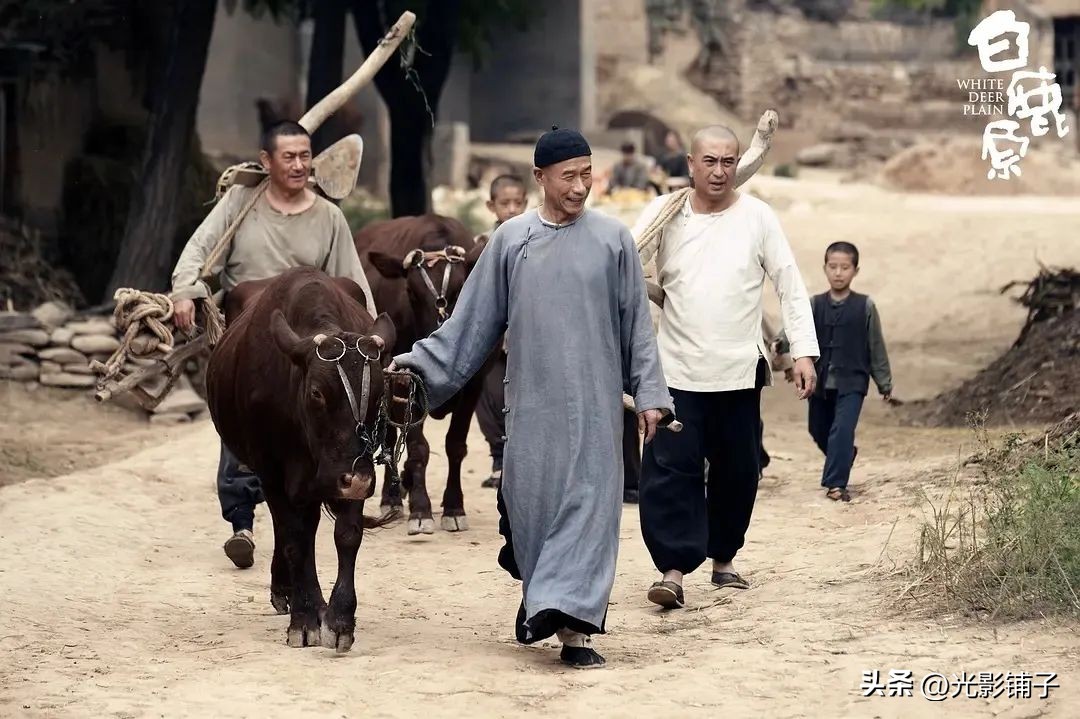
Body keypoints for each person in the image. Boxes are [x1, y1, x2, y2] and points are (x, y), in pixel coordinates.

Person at [389, 127, 673, 668]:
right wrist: (418, 368)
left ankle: (574, 629)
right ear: (540, 178)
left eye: (587, 174)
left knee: (591, 510)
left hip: (594, 406)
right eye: (569, 176)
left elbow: (637, 324)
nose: (580, 186)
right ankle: (541, 600)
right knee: (533, 508)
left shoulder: (612, 240)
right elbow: (472, 323)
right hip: (534, 406)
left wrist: (651, 394)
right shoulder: (511, 240)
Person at [170, 120, 375, 570]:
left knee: (323, 425)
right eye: (289, 157)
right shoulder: (241, 204)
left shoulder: (328, 216)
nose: (300, 165)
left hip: (311, 346)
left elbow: (352, 288)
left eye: (306, 156)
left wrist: (370, 346)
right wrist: (186, 288)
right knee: (243, 417)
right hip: (253, 333)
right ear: (266, 161)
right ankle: (241, 519)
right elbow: (199, 251)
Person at [632, 125, 819, 610]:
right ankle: (672, 571)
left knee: (738, 472)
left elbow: (789, 283)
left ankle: (723, 559)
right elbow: (622, 265)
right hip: (675, 370)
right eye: (709, 161)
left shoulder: (758, 217)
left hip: (738, 371)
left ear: (738, 165)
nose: (718, 171)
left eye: (728, 162)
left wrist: (802, 351)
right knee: (670, 471)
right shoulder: (663, 212)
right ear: (690, 164)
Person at [807, 241, 893, 502]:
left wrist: (884, 381)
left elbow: (875, 344)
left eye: (845, 267)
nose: (838, 272)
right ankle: (845, 455)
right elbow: (797, 331)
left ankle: (836, 484)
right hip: (820, 380)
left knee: (842, 430)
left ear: (855, 270)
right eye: (833, 267)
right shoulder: (815, 304)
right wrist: (779, 343)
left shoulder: (865, 306)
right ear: (824, 268)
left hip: (853, 379)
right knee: (817, 429)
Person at [473, 174, 528, 489]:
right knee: (490, 396)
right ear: (491, 206)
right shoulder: (483, 243)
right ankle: (498, 458)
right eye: (504, 203)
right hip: (495, 336)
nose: (511, 209)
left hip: (527, 336)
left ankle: (520, 463)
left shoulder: (537, 236)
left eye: (517, 203)